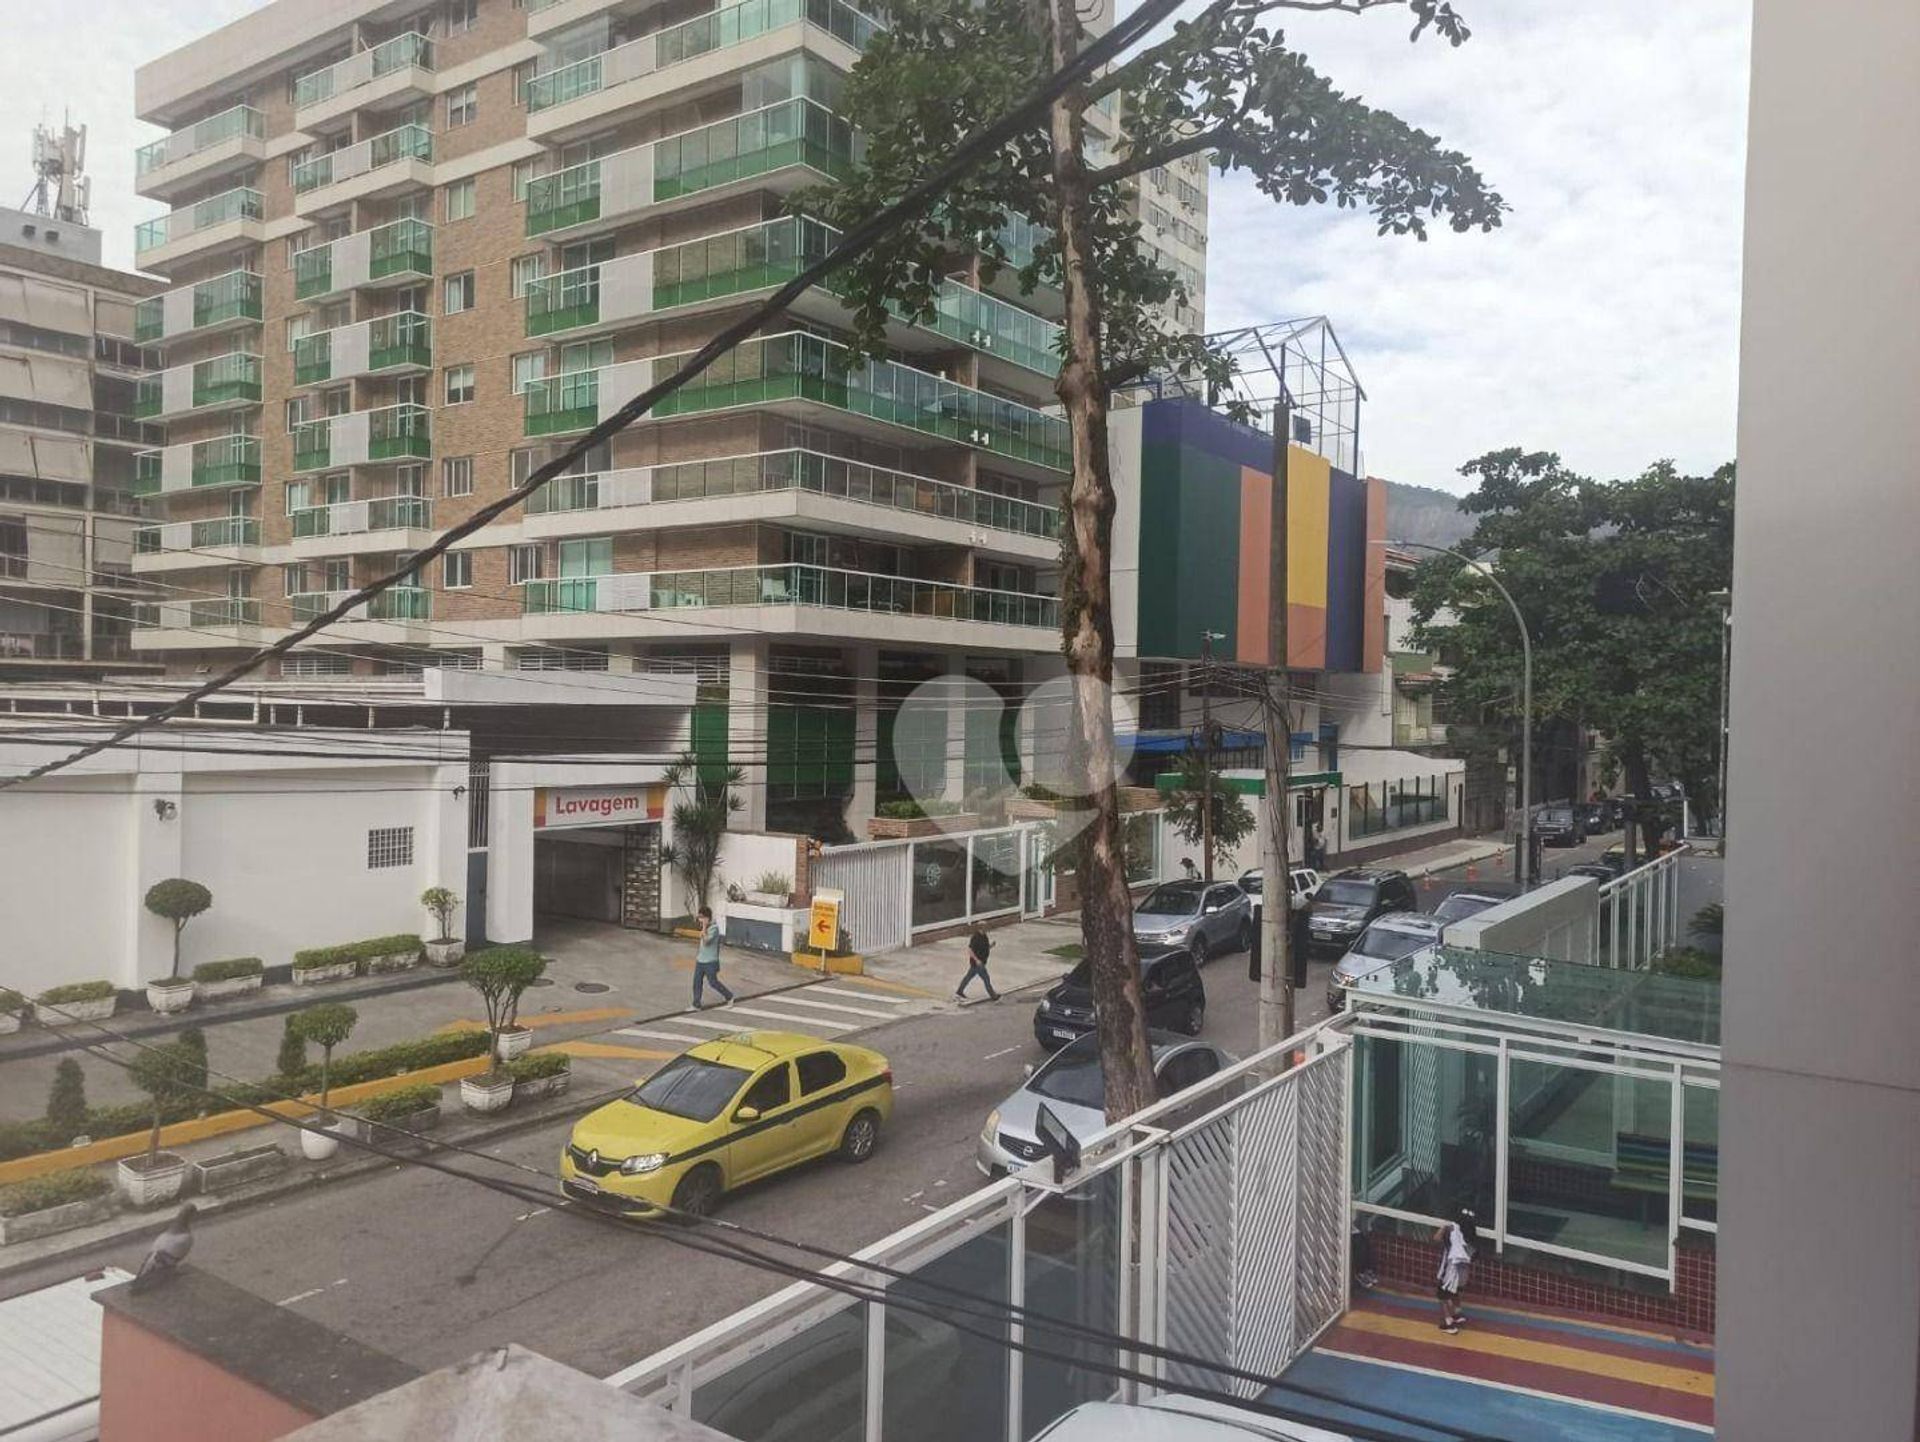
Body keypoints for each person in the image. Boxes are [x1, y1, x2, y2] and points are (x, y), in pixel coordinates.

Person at [1435, 1206, 1477, 1333]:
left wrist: (1443, 1228)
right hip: (1463, 1272)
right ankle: (1458, 1314)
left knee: (1442, 1295)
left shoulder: (1452, 1231)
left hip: (1450, 1271)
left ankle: (1449, 1323)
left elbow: (1436, 1238)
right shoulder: (1470, 1235)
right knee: (1455, 1292)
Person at [692, 905, 735, 1010]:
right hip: (701, 960)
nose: (700, 920)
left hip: (710, 961)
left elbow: (706, 942)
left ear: (707, 918)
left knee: (713, 982)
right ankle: (696, 1004)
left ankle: (729, 996)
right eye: (699, 917)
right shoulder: (705, 928)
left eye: (702, 917)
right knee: (697, 982)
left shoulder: (714, 929)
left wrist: (704, 927)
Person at [956, 923, 1001, 1002]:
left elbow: (985, 948)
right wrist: (977, 960)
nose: (987, 928)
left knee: (968, 977)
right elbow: (970, 950)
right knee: (986, 978)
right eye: (986, 927)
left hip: (981, 962)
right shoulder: (975, 937)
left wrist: (991, 946)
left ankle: (959, 991)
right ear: (981, 928)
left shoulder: (984, 936)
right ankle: (993, 995)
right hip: (978, 963)